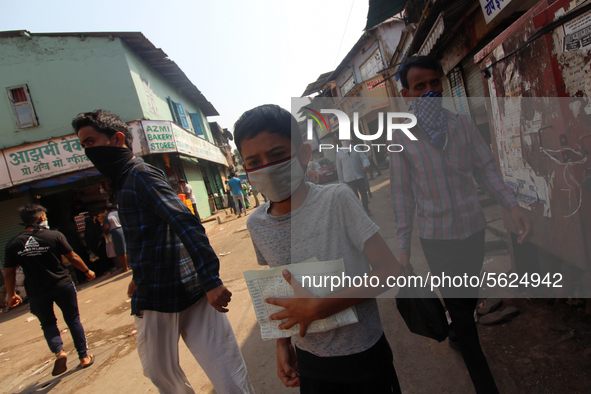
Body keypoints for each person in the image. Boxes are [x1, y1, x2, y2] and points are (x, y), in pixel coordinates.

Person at [72, 110, 254, 394]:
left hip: (186, 288)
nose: (88, 151)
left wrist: (210, 278)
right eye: (84, 145)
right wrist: (138, 274)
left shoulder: (140, 174)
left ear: (117, 139)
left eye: (91, 142)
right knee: (159, 370)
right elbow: (150, 235)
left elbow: (184, 221)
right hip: (157, 286)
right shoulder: (124, 181)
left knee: (224, 368)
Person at [390, 56, 534, 394]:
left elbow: (485, 169)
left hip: (473, 229)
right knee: (462, 311)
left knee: (466, 300)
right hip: (436, 239)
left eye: (434, 83)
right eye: (420, 86)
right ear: (406, 94)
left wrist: (510, 205)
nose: (429, 91)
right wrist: (403, 250)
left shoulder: (461, 124)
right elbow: (401, 196)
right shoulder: (400, 137)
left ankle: (457, 329)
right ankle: (485, 383)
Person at [236, 104, 403, 393]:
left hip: (364, 356)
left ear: (303, 154)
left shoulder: (337, 199)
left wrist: (322, 306)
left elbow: (390, 271)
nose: (268, 168)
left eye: (276, 155)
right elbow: (281, 288)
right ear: (246, 172)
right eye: (254, 162)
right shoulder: (256, 225)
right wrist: (282, 344)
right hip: (310, 361)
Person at [4, 204, 96, 376]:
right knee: (73, 319)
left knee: (47, 323)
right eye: (44, 216)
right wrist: (87, 271)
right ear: (41, 218)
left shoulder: (13, 244)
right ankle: (84, 357)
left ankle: (59, 351)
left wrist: (12, 295)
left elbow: (9, 274)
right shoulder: (54, 235)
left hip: (37, 292)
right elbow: (73, 257)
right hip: (62, 285)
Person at [335, 141, 371, 215]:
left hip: (360, 176)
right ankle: (359, 213)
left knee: (364, 194)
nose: (345, 141)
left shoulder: (356, 149)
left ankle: (366, 210)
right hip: (349, 180)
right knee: (354, 197)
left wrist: (365, 165)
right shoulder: (339, 154)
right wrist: (341, 183)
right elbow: (339, 169)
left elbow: (364, 158)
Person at [106, 205, 129, 272]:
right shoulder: (119, 212)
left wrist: (105, 233)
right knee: (127, 247)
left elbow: (106, 227)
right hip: (123, 229)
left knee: (121, 249)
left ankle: (125, 267)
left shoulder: (107, 216)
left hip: (116, 231)